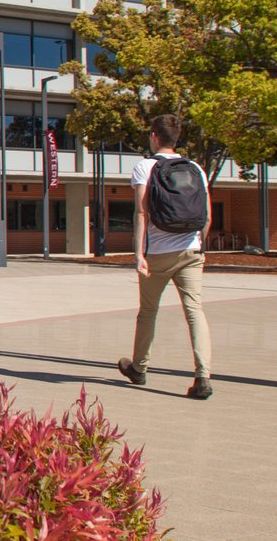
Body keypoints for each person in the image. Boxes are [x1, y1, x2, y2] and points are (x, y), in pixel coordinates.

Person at [117, 113, 213, 400]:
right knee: (195, 312)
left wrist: (139, 254)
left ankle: (139, 368)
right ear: (177, 138)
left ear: (154, 136)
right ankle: (203, 376)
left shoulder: (144, 167)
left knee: (148, 312)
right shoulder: (195, 167)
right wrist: (199, 245)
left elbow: (142, 212)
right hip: (191, 250)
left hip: (158, 253)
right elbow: (206, 215)